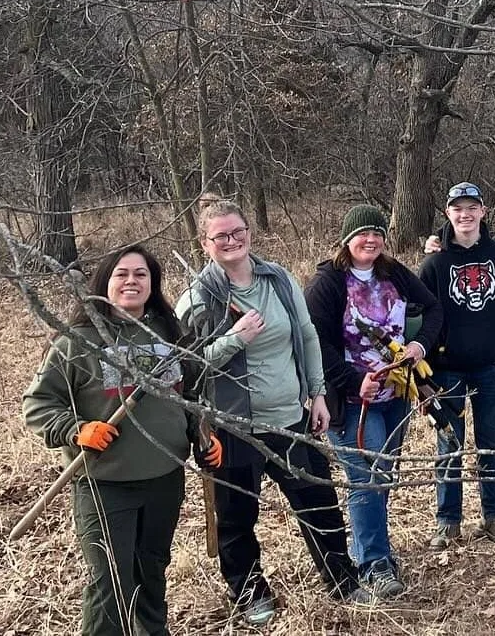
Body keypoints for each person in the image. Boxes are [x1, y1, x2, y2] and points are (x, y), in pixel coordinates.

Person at [177, 198, 367, 627]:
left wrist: (317, 394)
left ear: (249, 232)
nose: (232, 241)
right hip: (233, 428)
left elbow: (307, 335)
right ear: (205, 243)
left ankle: (342, 579)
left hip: (290, 418)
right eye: (221, 236)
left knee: (319, 502)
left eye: (237, 231)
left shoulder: (277, 279)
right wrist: (235, 339)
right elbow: (184, 368)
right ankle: (250, 592)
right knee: (237, 517)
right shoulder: (198, 298)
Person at [24, 245, 221, 636]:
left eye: (141, 274)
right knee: (111, 584)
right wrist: (77, 429)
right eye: (122, 274)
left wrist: (205, 435)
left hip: (165, 476)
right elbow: (38, 405)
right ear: (105, 283)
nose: (132, 281)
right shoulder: (77, 342)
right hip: (104, 484)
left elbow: (194, 397)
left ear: (153, 283)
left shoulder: (172, 335)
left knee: (151, 571)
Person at [305, 205, 442, 597]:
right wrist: (353, 379)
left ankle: (368, 548)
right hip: (351, 400)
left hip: (395, 393)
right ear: (347, 239)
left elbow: (433, 309)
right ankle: (375, 565)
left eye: (377, 234)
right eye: (363, 234)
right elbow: (317, 342)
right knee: (365, 479)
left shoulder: (393, 272)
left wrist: (419, 345)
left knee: (383, 478)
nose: (371, 240)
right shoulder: (328, 283)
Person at [418, 182, 495, 544]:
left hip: (489, 366)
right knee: (449, 445)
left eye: (471, 208)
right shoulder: (434, 264)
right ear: (448, 214)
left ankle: (494, 516)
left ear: (483, 211)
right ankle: (447, 521)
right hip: (446, 370)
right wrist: (425, 375)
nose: (464, 215)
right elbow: (420, 318)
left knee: (490, 443)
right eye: (457, 208)